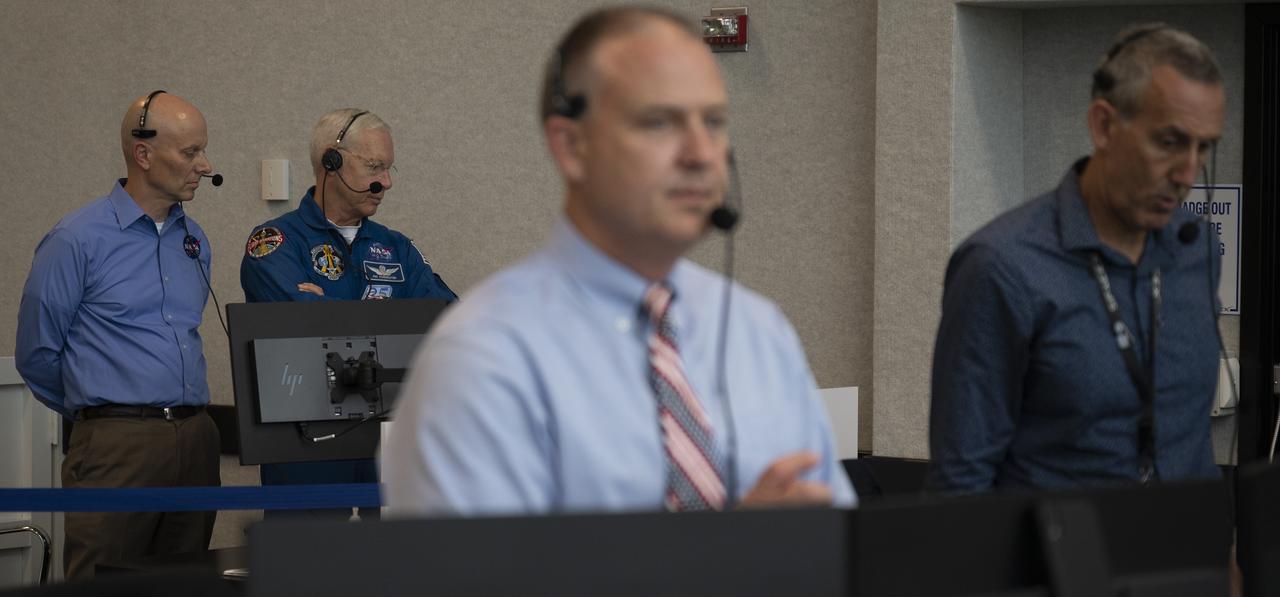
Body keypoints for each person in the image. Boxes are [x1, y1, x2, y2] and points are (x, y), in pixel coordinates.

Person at [383, 6, 854, 516]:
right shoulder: (483, 359)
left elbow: (842, 552)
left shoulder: (758, 332)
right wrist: (730, 557)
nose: (701, 153)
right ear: (571, 145)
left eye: (714, 121)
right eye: (659, 122)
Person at [928, 24, 1226, 492]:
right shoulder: (1002, 266)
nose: (1188, 172)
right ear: (1104, 126)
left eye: (1204, 146)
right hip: (1055, 561)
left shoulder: (1197, 250)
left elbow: (1190, 441)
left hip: (1187, 555)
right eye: (1169, 142)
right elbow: (960, 480)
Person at [16, 91, 221, 579]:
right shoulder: (77, 239)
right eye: (190, 152)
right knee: (104, 580)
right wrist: (104, 416)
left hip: (195, 438)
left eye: (202, 150)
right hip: (114, 445)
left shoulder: (194, 241)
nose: (204, 165)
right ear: (144, 154)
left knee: (187, 580)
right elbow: (37, 354)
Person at [240, 108, 456, 518]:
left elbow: (446, 320)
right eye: (375, 167)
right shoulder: (276, 243)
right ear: (330, 162)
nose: (386, 183)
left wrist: (325, 306)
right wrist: (390, 320)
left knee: (389, 575)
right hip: (306, 448)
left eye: (390, 169)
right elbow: (300, 328)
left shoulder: (396, 248)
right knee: (308, 573)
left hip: (388, 446)